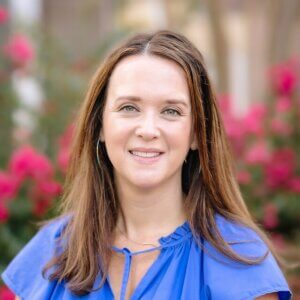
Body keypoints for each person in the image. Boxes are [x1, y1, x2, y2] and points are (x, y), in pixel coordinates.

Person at [1, 30, 293, 300]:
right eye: (129, 108)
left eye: (171, 111)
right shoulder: (51, 251)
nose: (148, 129)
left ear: (195, 133)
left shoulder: (239, 262)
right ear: (100, 124)